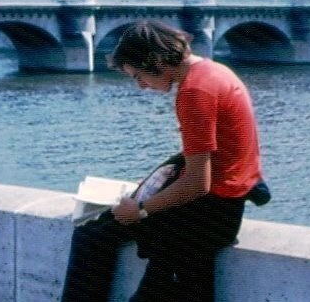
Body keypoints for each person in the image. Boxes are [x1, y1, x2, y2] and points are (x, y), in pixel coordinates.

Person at [61, 20, 265, 302]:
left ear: (156, 59)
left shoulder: (194, 93)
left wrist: (141, 209)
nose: (141, 86)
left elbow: (197, 183)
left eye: (138, 76)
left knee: (94, 237)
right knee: (106, 238)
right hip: (228, 200)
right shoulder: (212, 70)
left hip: (210, 213)